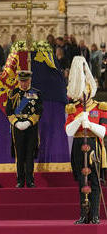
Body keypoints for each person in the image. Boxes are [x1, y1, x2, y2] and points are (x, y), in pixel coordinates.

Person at [65, 56, 107, 225]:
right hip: (77, 145)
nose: (83, 95)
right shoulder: (73, 108)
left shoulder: (100, 107)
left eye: (85, 92)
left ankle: (95, 215)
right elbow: (68, 131)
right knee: (82, 182)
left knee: (95, 182)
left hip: (93, 146)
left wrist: (89, 124)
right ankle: (84, 215)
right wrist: (77, 120)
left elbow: (103, 131)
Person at [6, 71, 43, 188]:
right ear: (18, 81)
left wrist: (29, 122)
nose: (24, 83)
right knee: (20, 154)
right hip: (17, 127)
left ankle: (30, 180)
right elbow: (8, 111)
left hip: (31, 126)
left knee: (29, 154)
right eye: (22, 81)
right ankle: (20, 181)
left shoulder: (36, 93)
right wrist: (16, 123)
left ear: (30, 80)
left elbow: (39, 111)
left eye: (26, 81)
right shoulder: (13, 93)